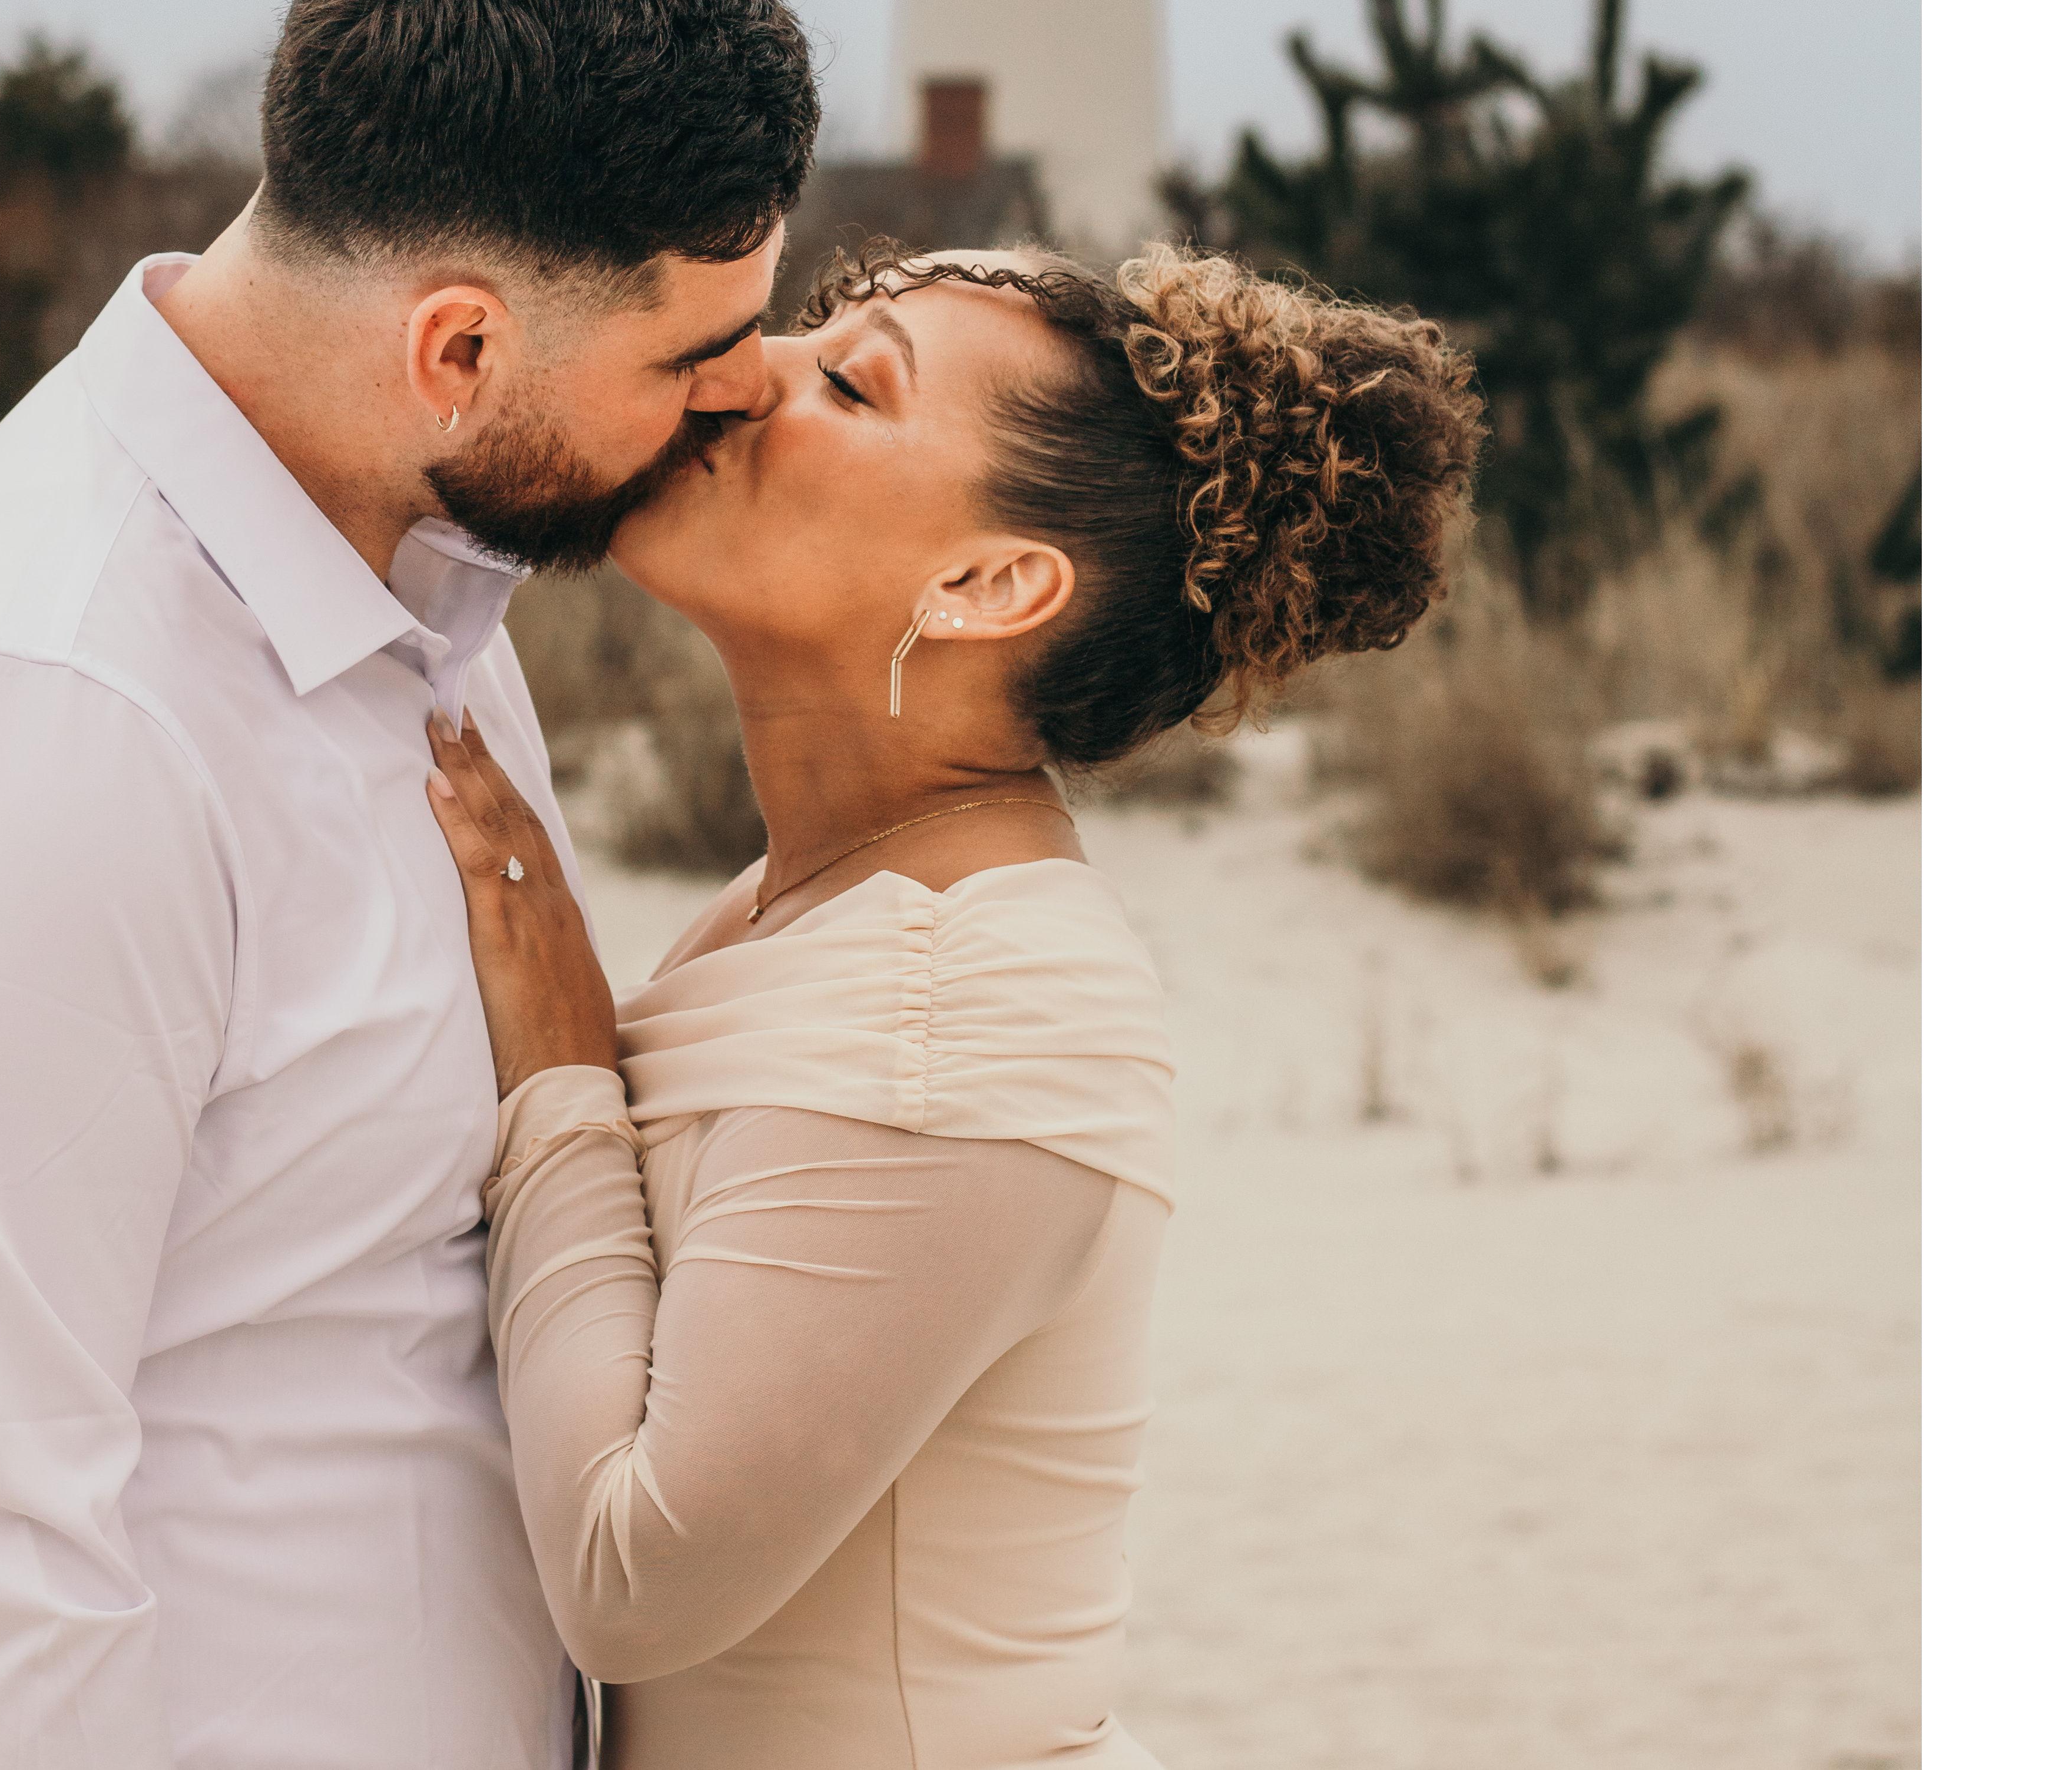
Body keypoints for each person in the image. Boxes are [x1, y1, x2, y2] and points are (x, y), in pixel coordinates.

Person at [0, 0, 820, 1770]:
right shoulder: (36, 721)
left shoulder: (425, 590)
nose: (743, 397)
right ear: (459, 349)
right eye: (692, 356)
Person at [421, 240, 1484, 1769]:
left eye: (852, 386)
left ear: (988, 586)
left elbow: (633, 1581)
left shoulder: (968, 1000)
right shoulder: (811, 905)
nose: (745, 372)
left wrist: (560, 1074)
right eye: (813, 333)